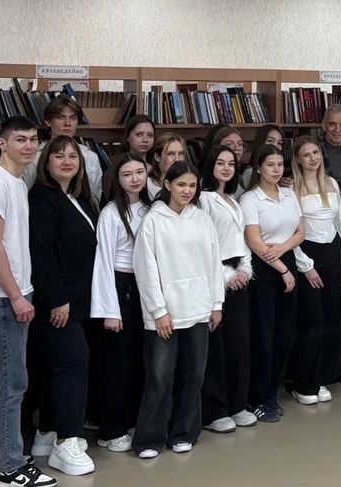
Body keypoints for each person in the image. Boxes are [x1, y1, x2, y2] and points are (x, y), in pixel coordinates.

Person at [0, 116, 57, 487]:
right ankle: (12, 468)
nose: (29, 146)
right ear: (2, 143)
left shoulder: (16, 181)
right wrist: (17, 296)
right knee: (11, 384)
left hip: (7, 294)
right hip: (0, 296)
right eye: (20, 139)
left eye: (33, 139)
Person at [132, 161, 224, 458]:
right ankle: (149, 439)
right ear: (167, 185)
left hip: (198, 309)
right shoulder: (153, 220)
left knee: (194, 374)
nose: (187, 190)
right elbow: (145, 268)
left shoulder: (202, 219)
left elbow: (214, 262)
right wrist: (158, 311)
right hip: (165, 314)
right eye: (181, 184)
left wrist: (216, 304)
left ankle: (184, 432)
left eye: (192, 185)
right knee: (160, 376)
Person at [28, 136, 99, 475]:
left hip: (79, 300)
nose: (67, 161)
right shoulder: (42, 198)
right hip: (55, 301)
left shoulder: (80, 198)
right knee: (73, 361)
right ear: (46, 163)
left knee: (54, 367)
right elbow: (40, 252)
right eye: (59, 156)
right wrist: (57, 299)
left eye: (73, 156)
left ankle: (47, 433)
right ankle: (66, 442)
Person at [90, 152, 151, 453]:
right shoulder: (111, 212)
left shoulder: (153, 209)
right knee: (116, 363)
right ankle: (111, 429)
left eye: (140, 172)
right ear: (117, 179)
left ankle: (133, 421)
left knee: (140, 360)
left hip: (145, 288)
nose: (135, 179)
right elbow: (102, 261)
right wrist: (109, 310)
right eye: (127, 174)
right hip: (118, 285)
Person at [241, 144, 305, 422]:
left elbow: (301, 231)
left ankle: (271, 390)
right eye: (270, 165)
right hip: (264, 268)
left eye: (280, 165)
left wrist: (283, 250)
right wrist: (282, 267)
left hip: (285, 259)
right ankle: (257, 397)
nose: (276, 170)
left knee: (284, 334)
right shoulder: (250, 199)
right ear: (258, 168)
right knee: (264, 337)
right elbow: (255, 242)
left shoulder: (289, 194)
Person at [290, 136, 341, 405]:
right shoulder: (291, 188)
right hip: (308, 256)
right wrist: (306, 266)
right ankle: (306, 383)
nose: (313, 158)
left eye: (316, 152)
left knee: (332, 320)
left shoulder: (331, 183)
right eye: (306, 155)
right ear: (297, 159)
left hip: (333, 256)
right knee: (312, 321)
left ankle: (325, 376)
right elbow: (291, 232)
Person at [199, 146, 257, 433]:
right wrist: (226, 275)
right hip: (216, 274)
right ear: (210, 165)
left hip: (239, 275)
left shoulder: (233, 201)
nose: (225, 168)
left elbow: (241, 239)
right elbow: (203, 245)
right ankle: (214, 410)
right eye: (220, 163)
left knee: (239, 344)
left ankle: (237, 403)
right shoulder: (203, 199)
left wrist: (245, 268)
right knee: (217, 346)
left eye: (231, 164)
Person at [22, 96, 103, 203]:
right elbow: (26, 194)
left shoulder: (90, 157)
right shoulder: (34, 157)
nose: (67, 123)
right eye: (61, 117)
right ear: (48, 121)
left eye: (73, 118)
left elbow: (94, 197)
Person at [101, 115, 156, 203]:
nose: (145, 140)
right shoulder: (113, 172)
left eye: (150, 135)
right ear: (128, 137)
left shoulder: (157, 169)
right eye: (139, 134)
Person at [147, 133, 187, 199]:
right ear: (157, 157)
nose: (177, 159)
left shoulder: (190, 182)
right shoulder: (147, 185)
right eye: (171, 154)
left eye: (181, 153)